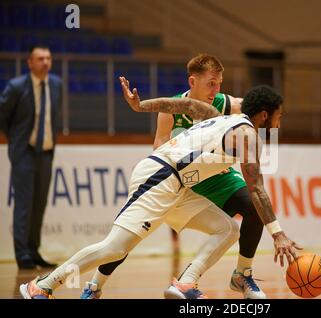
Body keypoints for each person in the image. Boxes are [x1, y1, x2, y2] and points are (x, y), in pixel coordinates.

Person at [19, 78, 300, 299]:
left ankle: (186, 283)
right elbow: (257, 189)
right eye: (279, 116)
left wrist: (142, 106)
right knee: (115, 247)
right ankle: (42, 286)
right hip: (160, 177)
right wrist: (279, 235)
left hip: (178, 185)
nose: (279, 122)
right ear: (265, 115)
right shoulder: (247, 134)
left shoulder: (221, 117)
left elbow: (184, 106)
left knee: (227, 229)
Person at [82, 54, 268, 299]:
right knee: (129, 236)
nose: (217, 89)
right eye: (211, 83)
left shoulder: (226, 104)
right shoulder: (172, 109)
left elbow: (257, 111)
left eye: (220, 83)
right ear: (193, 81)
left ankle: (242, 274)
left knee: (255, 206)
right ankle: (95, 285)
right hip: (181, 178)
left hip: (215, 177)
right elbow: (159, 150)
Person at [0, 45, 61, 270]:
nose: (45, 62)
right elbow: (2, 115)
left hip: (46, 152)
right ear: (30, 62)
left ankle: (34, 251)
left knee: (39, 204)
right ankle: (22, 254)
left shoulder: (56, 84)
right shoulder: (16, 87)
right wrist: (15, 140)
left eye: (48, 58)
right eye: (40, 58)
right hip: (24, 152)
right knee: (24, 204)